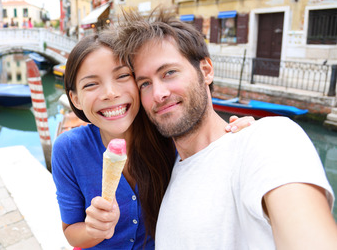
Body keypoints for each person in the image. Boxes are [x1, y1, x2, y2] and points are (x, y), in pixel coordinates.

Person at [114, 8, 337, 249]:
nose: (158, 94)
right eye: (145, 83)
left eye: (169, 73)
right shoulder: (166, 172)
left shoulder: (269, 139)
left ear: (206, 70)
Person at [52, 32, 255, 249]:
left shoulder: (169, 134)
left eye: (122, 76)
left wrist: (241, 131)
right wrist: (94, 230)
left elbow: (208, 143)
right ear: (75, 99)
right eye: (91, 84)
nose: (110, 93)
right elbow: (71, 231)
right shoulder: (68, 150)